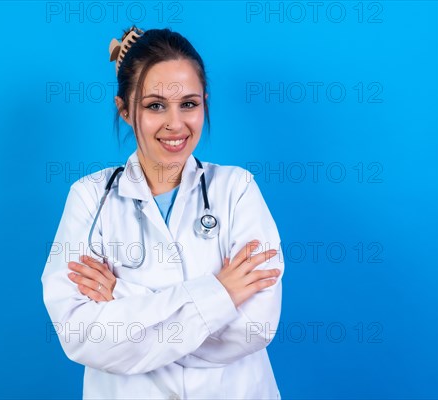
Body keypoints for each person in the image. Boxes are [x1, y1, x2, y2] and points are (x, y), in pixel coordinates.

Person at [41, 26, 285, 400]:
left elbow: (254, 328)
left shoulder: (237, 190)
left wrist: (120, 296)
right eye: (155, 105)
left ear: (204, 101)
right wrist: (221, 293)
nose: (175, 124)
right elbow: (80, 335)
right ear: (124, 110)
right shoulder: (90, 198)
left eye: (188, 103)